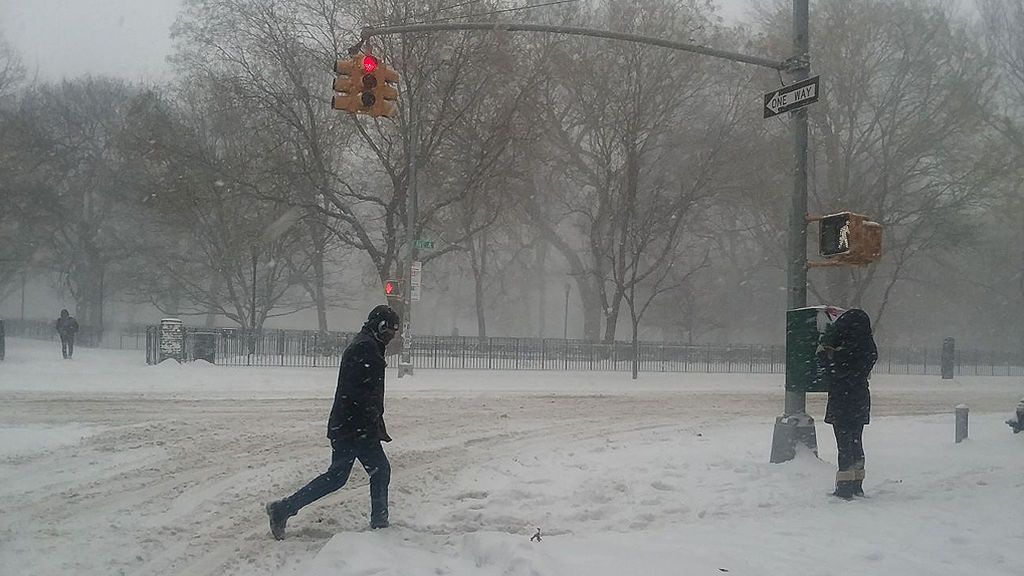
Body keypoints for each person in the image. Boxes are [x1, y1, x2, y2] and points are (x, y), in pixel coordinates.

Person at [265, 304, 400, 540]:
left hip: (349, 425)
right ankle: (380, 523)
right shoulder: (366, 349)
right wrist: (369, 424)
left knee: (338, 477)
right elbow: (362, 394)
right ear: (380, 327)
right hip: (355, 428)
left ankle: (283, 508)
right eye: (390, 331)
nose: (391, 337)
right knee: (377, 471)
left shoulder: (367, 345)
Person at [822, 308, 877, 499]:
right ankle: (857, 484)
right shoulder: (867, 347)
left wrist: (827, 349)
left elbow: (826, 363)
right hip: (860, 397)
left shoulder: (842, 350)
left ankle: (844, 487)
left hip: (842, 398)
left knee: (844, 444)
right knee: (856, 441)